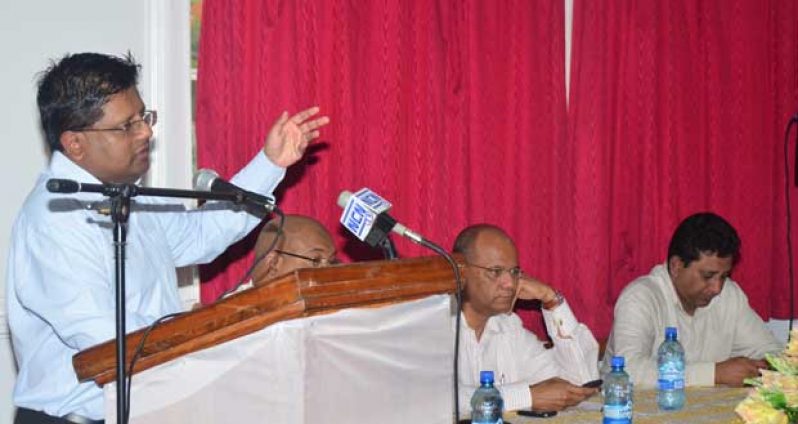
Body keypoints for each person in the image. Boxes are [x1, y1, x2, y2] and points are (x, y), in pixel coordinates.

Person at [6, 52, 329, 423]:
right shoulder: (53, 219)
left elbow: (202, 235)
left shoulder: (127, 194)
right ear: (75, 143)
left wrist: (270, 164)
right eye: (126, 126)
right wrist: (205, 326)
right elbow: (103, 339)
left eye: (143, 117)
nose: (145, 132)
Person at [603, 212, 782, 388]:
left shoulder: (729, 295)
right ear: (676, 266)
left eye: (724, 276)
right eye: (708, 276)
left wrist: (764, 367)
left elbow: (773, 354)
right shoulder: (639, 298)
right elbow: (629, 370)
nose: (717, 288)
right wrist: (715, 374)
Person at [453, 224, 599, 414]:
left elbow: (578, 385)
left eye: (514, 272)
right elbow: (437, 399)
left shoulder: (508, 325)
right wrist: (528, 396)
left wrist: (552, 301)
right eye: (496, 271)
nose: (509, 284)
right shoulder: (432, 325)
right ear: (461, 272)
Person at [238, 214, 337, 292]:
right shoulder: (231, 313)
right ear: (273, 264)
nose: (328, 273)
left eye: (332, 262)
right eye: (316, 261)